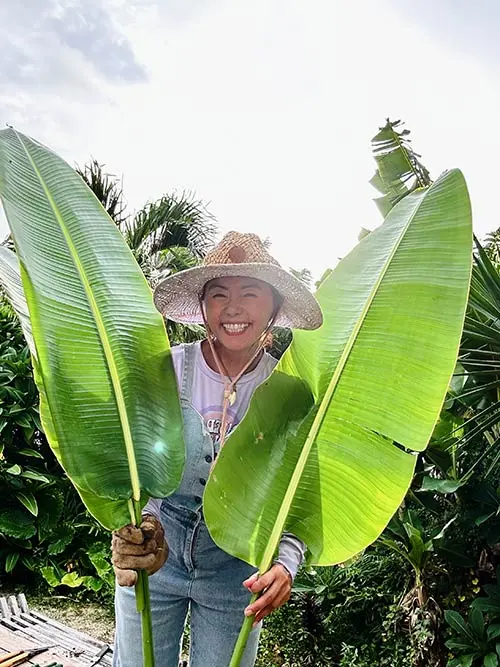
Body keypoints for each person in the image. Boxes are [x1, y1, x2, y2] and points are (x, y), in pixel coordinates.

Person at [112, 231, 323, 667]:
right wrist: (139, 531)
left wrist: (285, 563)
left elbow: (298, 494)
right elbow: (136, 460)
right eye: (219, 293)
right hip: (157, 554)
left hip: (236, 569)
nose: (233, 308)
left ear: (274, 308)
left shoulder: (286, 391)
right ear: (204, 307)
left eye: (250, 292)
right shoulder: (168, 368)